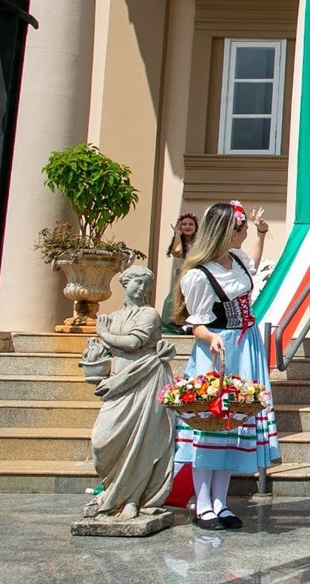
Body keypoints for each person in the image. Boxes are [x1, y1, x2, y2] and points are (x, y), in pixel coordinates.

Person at [172, 201, 279, 531]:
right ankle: (202, 503)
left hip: (245, 347)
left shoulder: (236, 261)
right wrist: (210, 339)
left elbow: (252, 267)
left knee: (232, 426)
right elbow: (195, 322)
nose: (245, 232)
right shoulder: (199, 275)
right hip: (218, 352)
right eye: (242, 228)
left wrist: (261, 234)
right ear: (225, 232)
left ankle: (221, 502)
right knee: (210, 426)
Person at [85, 266, 177, 520]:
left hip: (146, 380)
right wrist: (94, 354)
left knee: (143, 443)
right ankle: (113, 491)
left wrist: (103, 333)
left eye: (146, 285)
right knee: (103, 440)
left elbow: (134, 343)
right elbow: (105, 353)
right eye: (137, 283)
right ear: (125, 284)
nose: (142, 289)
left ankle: (133, 499)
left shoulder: (149, 314)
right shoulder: (113, 317)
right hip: (119, 385)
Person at [161, 212, 199, 334]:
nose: (187, 227)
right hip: (186, 276)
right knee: (172, 301)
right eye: (184, 224)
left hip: (199, 276)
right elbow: (177, 252)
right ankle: (172, 328)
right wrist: (177, 234)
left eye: (191, 224)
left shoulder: (200, 242)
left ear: (195, 227)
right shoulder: (180, 242)